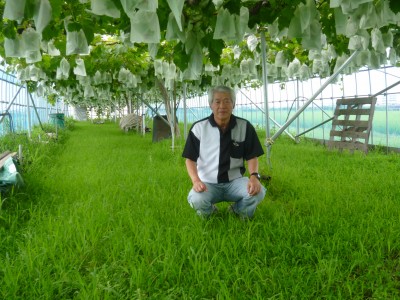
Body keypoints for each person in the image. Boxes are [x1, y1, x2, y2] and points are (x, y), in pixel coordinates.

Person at [182, 85, 266, 219]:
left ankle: (237, 212)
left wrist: (254, 176)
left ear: (233, 104)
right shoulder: (199, 128)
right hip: (207, 183)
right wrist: (196, 180)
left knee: (258, 192)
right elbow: (190, 159)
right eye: (217, 101)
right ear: (211, 105)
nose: (222, 106)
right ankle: (210, 214)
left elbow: (252, 156)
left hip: (235, 182)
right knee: (196, 199)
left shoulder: (244, 127)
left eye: (227, 101)